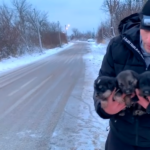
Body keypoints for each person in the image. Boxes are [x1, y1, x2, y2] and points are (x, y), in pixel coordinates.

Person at [93, 1, 150, 150]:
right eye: (147, 31)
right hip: (120, 140)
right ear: (141, 25)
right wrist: (104, 108)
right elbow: (101, 85)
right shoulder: (117, 46)